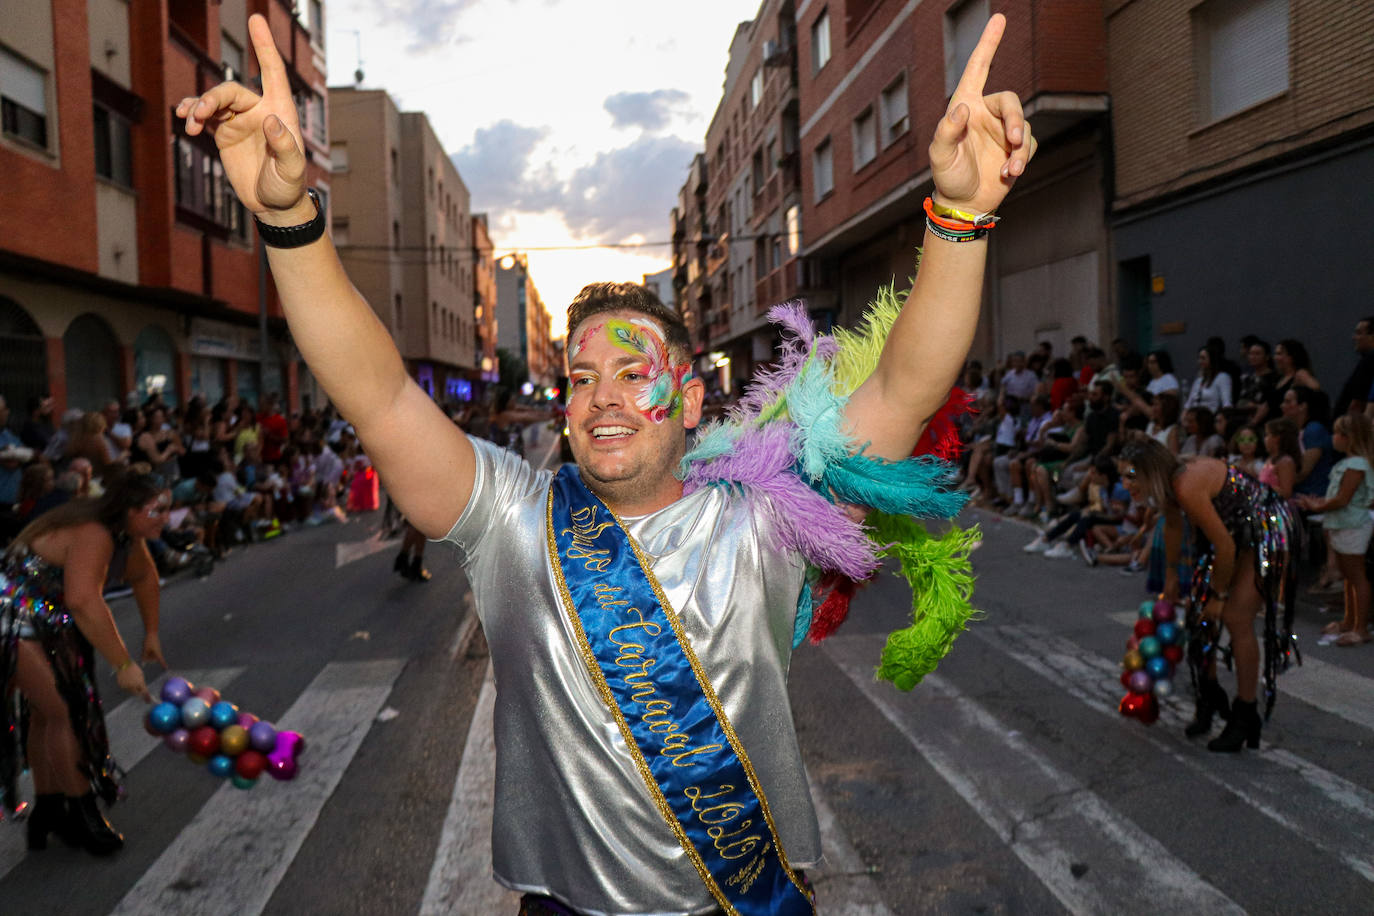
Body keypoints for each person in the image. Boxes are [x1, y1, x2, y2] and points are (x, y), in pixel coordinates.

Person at [178, 12, 1034, 913]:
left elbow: (904, 386)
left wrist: (962, 216)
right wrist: (286, 220)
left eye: (636, 372)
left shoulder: (767, 519)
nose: (603, 397)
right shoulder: (511, 520)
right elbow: (382, 397)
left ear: (694, 400)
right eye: (582, 377)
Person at [0, 471, 167, 854]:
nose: (166, 517)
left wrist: (153, 634)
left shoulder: (125, 534)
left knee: (47, 714)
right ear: (129, 510)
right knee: (64, 711)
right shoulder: (96, 532)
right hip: (10, 612)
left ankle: (49, 810)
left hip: (45, 618)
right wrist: (124, 665)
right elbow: (82, 600)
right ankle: (79, 813)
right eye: (157, 509)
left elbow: (144, 577)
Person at [1118, 439, 1298, 753]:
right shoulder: (1169, 486)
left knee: (1235, 617)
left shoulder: (1186, 485)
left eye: (1132, 475)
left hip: (1268, 527)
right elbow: (1173, 524)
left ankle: (1245, 715)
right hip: (1232, 532)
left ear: (1152, 472)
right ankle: (1209, 698)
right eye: (1123, 475)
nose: (1125, 483)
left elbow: (1226, 548)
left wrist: (1218, 594)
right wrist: (1172, 575)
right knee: (1198, 617)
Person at [1297, 414, 1374, 646]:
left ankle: (1360, 628)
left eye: (1338, 433)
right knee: (1349, 576)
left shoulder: (1356, 465)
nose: (1333, 438)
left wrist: (1317, 505)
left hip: (1352, 524)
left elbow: (1343, 499)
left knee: (1356, 576)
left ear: (1349, 438)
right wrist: (1320, 502)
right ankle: (1349, 621)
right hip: (1343, 524)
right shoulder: (1347, 463)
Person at [1334, 316, 1374, 418]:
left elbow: (1357, 402)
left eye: (1359, 333)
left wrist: (1349, 427)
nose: (1354, 337)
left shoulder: (1369, 361)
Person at [1184, 341, 1233, 413]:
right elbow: (1188, 404)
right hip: (1193, 419)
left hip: (1210, 418)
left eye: (1203, 358)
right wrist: (1183, 418)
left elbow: (1226, 404)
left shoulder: (1222, 378)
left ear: (1211, 359)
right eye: (1199, 358)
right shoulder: (1198, 381)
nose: (1200, 361)